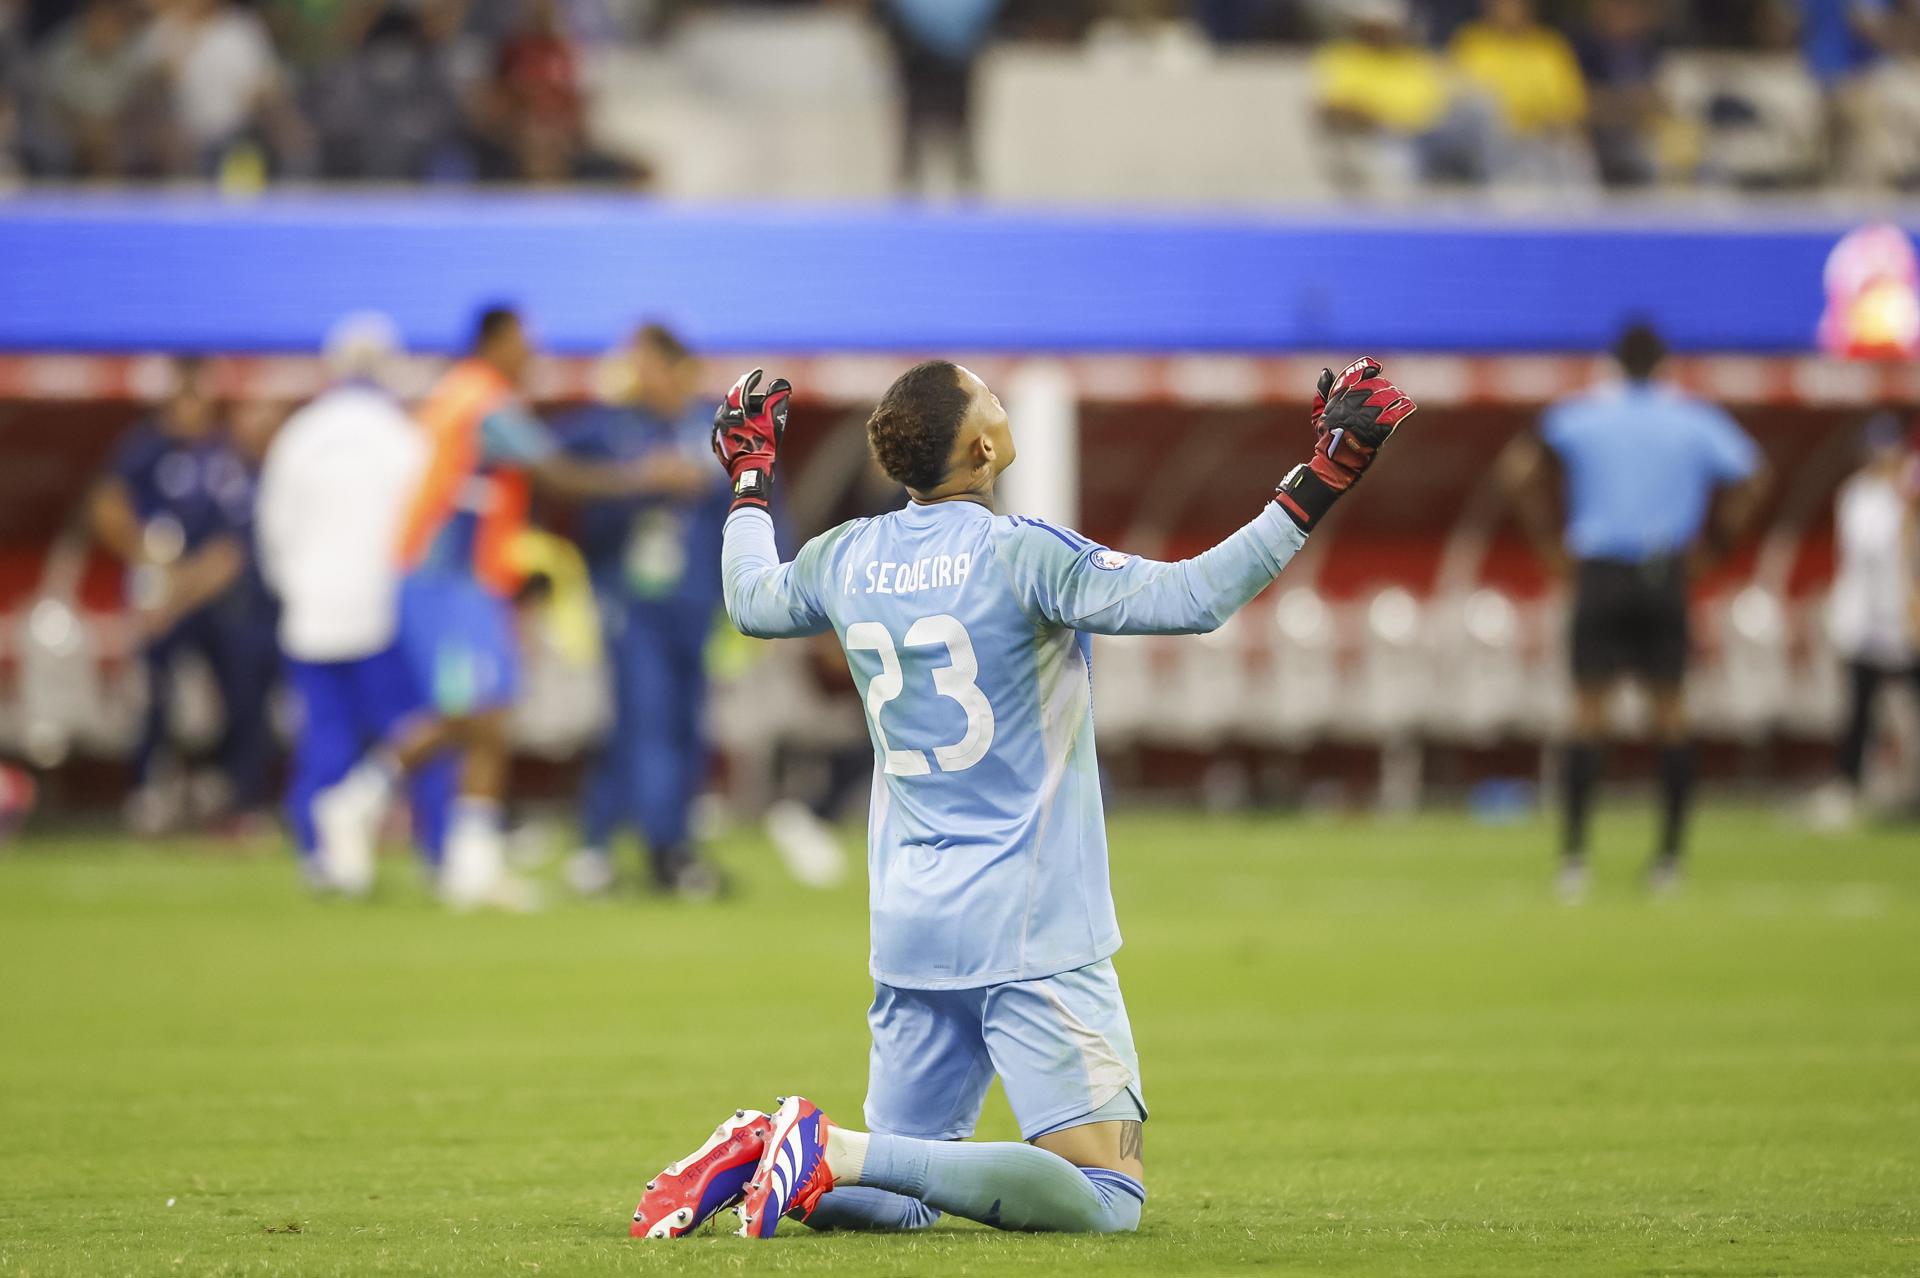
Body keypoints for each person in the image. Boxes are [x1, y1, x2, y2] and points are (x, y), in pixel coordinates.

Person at [629, 356, 1416, 1238]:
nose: (1002, 405)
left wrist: (748, 477)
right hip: (1031, 924)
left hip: (911, 926)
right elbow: (1193, 597)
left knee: (896, 1202)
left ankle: (775, 1146)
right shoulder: (1024, 555)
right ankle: (830, 1149)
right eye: (991, 398)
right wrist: (1322, 480)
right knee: (1106, 1203)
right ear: (983, 445)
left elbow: (750, 600)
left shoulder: (847, 555)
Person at [312, 305, 695, 908]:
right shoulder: (481, 401)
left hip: (467, 580)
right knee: (481, 714)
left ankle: (440, 846)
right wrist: (648, 476)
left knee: (485, 713)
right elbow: (557, 475)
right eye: (524, 343)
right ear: (493, 342)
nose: (533, 355)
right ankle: (370, 807)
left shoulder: (466, 396)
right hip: (446, 579)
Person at [1498, 323, 1768, 901]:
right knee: (1670, 713)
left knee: (1587, 714)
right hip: (1663, 570)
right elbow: (1753, 476)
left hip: (1600, 572)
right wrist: (1716, 547)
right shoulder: (1693, 418)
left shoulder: (1582, 414)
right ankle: (1668, 860)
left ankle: (1574, 860)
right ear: (1665, 363)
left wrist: (1548, 545)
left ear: (1613, 363)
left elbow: (1517, 471)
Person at [256, 313, 457, 891]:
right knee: (419, 734)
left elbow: (274, 529)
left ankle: (325, 860)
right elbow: (423, 528)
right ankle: (438, 850)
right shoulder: (401, 435)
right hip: (384, 612)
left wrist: (294, 590)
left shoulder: (301, 436)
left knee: (325, 737)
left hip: (311, 613)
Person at [558, 323, 726, 898]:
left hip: (695, 598)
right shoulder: (614, 428)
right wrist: (638, 480)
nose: (636, 374)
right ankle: (662, 851)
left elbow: (760, 502)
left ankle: (609, 844)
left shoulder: (714, 429)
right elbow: (551, 467)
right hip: (633, 600)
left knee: (680, 724)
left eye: (645, 363)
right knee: (645, 719)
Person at [87, 356, 277, 834]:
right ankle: (150, 787)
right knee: (154, 692)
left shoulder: (224, 458)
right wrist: (147, 552)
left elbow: (232, 548)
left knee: (244, 685)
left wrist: (180, 590)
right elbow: (106, 507)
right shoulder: (144, 449)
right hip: (160, 594)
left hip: (212, 599)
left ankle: (237, 794)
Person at [1812, 414, 1918, 829]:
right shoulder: (1857, 495)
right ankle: (1848, 788)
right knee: (1859, 712)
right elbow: (1868, 551)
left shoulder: (1908, 490)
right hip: (1867, 622)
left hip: (1909, 619)